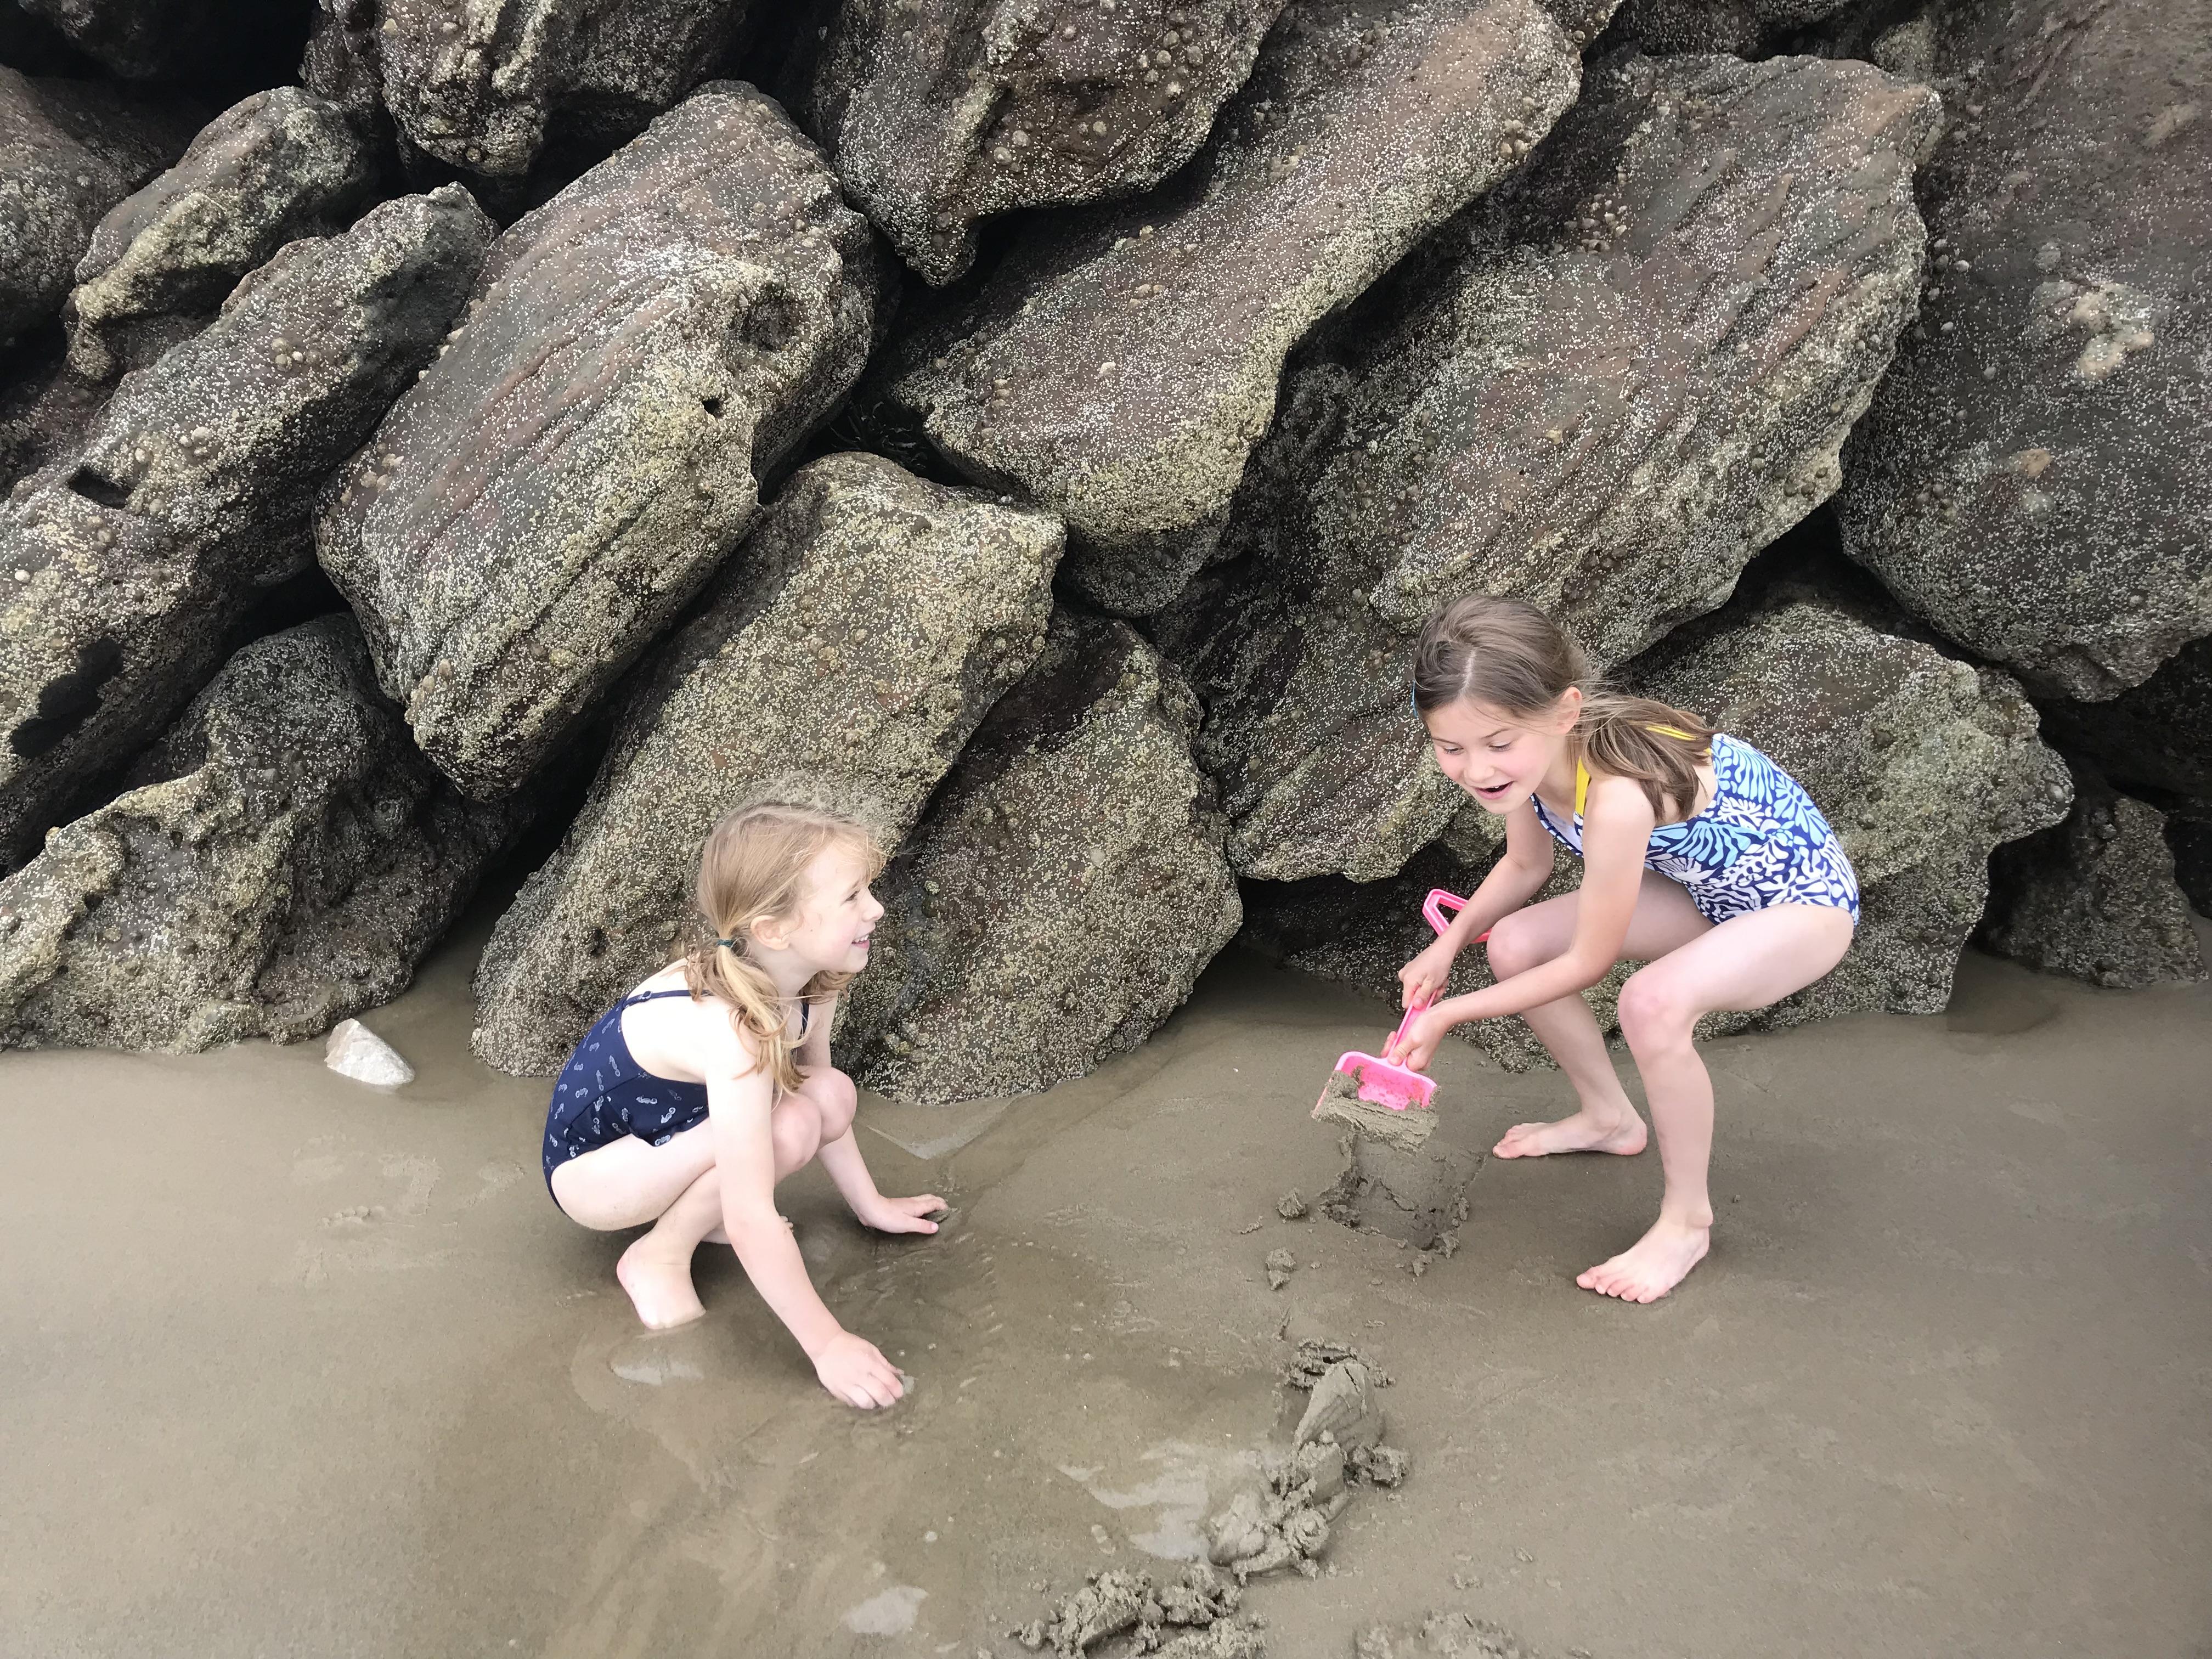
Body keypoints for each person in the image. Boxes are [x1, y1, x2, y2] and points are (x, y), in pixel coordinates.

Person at [1386, 596, 1859, 1303]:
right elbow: (1525, 866)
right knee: (1513, 943)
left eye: (1497, 744)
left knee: (1650, 1003)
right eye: (1450, 748)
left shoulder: (1617, 796)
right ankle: (1608, 1117)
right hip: (1707, 895)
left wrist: (1448, 1014)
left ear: (1564, 713)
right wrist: (1449, 944)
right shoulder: (1530, 769)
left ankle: (1687, 1222)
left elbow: (1589, 962)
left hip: (1802, 906)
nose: (1476, 769)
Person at [540, 800, 945, 1408]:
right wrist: (828, 1345)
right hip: (594, 1174)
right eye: (852, 897)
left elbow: (817, 1082)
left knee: (828, 1094)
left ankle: (695, 1220)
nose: (876, 908)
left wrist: (871, 1205)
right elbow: (754, 1212)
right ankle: (658, 1256)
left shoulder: (810, 977)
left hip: (670, 1137)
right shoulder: (734, 1029)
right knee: (792, 1124)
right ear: (774, 930)